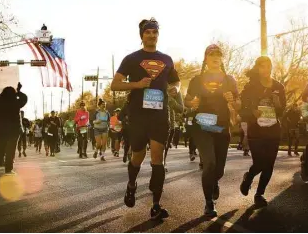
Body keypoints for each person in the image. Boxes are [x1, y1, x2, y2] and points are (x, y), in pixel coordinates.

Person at [111, 18, 180, 220]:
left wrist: (175, 89)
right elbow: (115, 85)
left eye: (154, 32)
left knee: (158, 159)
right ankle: (131, 185)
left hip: (160, 114)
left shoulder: (167, 59)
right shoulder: (131, 59)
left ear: (158, 35)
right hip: (138, 116)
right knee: (137, 157)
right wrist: (138, 85)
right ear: (142, 35)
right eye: (148, 32)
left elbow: (176, 81)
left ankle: (156, 204)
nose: (151, 35)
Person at [184, 44, 241, 218]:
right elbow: (186, 100)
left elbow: (239, 104)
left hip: (222, 126)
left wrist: (233, 100)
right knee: (209, 163)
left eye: (218, 54)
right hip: (202, 125)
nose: (216, 57)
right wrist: (191, 103)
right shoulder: (196, 80)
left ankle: (213, 182)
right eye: (212, 54)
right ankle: (209, 203)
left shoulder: (230, 79)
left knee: (219, 170)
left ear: (221, 58)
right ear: (206, 59)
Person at [239, 56, 286, 207]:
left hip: (273, 130)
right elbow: (242, 107)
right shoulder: (250, 86)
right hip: (256, 130)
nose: (266, 69)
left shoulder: (279, 86)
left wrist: (277, 102)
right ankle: (248, 178)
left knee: (269, 164)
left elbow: (281, 111)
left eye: (268, 66)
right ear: (257, 68)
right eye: (262, 66)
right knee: (259, 162)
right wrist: (253, 111)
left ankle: (259, 194)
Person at [0, 83, 27, 175]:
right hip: (13, 129)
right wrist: (18, 91)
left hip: (0, 128)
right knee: (10, 150)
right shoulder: (15, 102)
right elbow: (24, 98)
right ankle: (8, 169)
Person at [118, 98, 131, 163]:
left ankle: (130, 154)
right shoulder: (125, 106)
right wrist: (125, 118)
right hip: (126, 128)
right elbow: (119, 117)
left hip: (136, 128)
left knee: (134, 142)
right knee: (127, 143)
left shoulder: (139, 105)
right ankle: (125, 154)